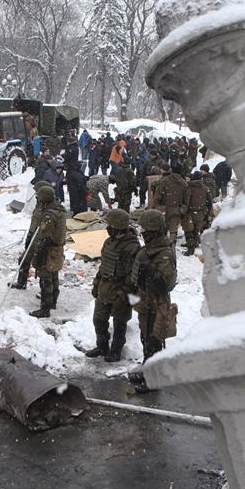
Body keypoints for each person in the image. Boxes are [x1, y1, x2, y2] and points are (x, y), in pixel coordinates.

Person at [128, 210, 177, 392]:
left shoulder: (163, 253)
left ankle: (154, 378)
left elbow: (168, 284)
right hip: (145, 301)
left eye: (145, 229)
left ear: (154, 231)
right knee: (145, 338)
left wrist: (152, 273)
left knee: (154, 340)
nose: (142, 232)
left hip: (156, 303)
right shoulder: (149, 249)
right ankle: (147, 368)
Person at [86, 209, 140, 362]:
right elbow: (104, 265)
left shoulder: (131, 247)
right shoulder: (109, 242)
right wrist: (97, 284)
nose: (107, 228)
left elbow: (133, 275)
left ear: (117, 227)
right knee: (99, 319)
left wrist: (124, 294)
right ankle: (102, 346)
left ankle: (116, 350)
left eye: (109, 225)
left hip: (121, 290)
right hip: (105, 287)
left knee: (119, 322)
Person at [28, 185, 66, 318]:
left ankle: (45, 307)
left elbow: (44, 236)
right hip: (57, 247)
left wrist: (38, 254)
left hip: (48, 248)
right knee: (53, 273)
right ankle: (53, 301)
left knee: (45, 278)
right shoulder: (58, 210)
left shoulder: (49, 215)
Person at [11, 180, 52, 290]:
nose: (35, 195)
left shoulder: (48, 207)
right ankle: (21, 282)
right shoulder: (39, 204)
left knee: (43, 267)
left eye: (37, 192)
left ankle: (46, 293)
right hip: (32, 235)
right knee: (24, 259)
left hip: (40, 239)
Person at [153, 164, 190, 245]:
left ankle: (161, 248)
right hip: (176, 210)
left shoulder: (164, 180)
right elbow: (186, 201)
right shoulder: (184, 183)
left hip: (163, 208)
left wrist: (157, 207)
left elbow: (157, 196)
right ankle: (171, 249)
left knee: (162, 230)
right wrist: (181, 210)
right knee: (173, 231)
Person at [184, 171, 211, 255]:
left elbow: (186, 201)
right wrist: (207, 213)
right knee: (196, 230)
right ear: (201, 178)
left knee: (189, 231)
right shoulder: (205, 188)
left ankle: (190, 249)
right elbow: (209, 202)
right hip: (201, 212)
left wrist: (184, 211)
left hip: (190, 213)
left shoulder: (188, 187)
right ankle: (194, 244)